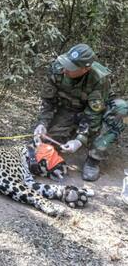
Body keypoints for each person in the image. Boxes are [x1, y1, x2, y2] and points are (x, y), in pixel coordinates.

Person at [34, 43, 127, 181]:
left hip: (95, 112)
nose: (66, 69)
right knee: (47, 142)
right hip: (69, 109)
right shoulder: (58, 68)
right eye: (66, 64)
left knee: (122, 109)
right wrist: (42, 122)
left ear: (86, 69)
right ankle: (71, 131)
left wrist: (79, 140)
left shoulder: (99, 79)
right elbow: (48, 101)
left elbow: (93, 114)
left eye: (72, 68)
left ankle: (94, 158)